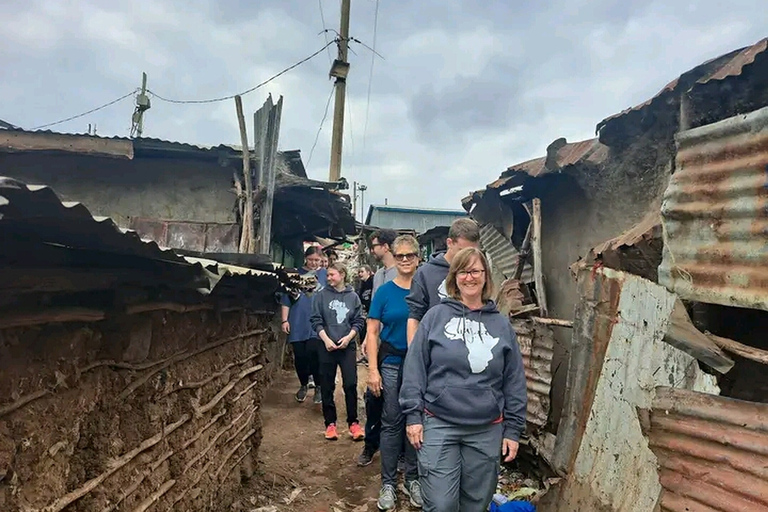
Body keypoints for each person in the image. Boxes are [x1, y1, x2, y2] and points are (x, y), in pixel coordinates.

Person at [399, 247, 527, 512]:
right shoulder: (435, 317)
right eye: (463, 271)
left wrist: (513, 430)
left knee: (476, 504)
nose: (470, 278)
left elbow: (514, 380)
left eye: (476, 271)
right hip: (439, 422)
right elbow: (414, 368)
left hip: (486, 427)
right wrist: (413, 416)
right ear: (454, 277)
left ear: (486, 276)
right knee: (441, 504)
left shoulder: (501, 325)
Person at [366, 235, 423, 510]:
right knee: (392, 420)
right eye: (399, 256)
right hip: (391, 362)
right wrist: (373, 370)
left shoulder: (427, 291)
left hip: (421, 365)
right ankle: (388, 483)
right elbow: (372, 332)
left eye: (409, 255)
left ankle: (412, 479)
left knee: (417, 420)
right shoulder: (385, 292)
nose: (404, 260)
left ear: (418, 257)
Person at [310, 262, 366, 441]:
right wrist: (326, 340)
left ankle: (353, 423)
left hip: (347, 346)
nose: (329, 278)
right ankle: (330, 424)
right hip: (326, 346)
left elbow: (358, 321)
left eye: (332, 275)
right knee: (327, 385)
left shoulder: (353, 297)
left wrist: (349, 338)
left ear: (342, 275)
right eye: (328, 275)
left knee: (350, 384)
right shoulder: (320, 296)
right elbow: (316, 320)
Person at [358, 228, 399, 466]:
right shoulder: (379, 275)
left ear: (385, 246)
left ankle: (398, 452)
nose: (373, 250)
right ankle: (370, 445)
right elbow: (375, 311)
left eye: (375, 246)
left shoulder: (403, 275)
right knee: (373, 396)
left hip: (396, 345)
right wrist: (367, 338)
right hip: (379, 343)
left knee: (396, 400)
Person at [406, 218, 481, 345]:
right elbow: (415, 317)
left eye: (472, 252)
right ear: (449, 243)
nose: (467, 257)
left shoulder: (479, 273)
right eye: (462, 251)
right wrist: (414, 355)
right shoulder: (425, 274)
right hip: (436, 350)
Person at [280, 246, 327, 404]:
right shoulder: (294, 275)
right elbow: (286, 300)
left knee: (315, 355)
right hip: (298, 320)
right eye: (311, 259)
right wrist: (285, 320)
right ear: (305, 258)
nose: (314, 263)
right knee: (300, 356)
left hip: (318, 322)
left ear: (321, 260)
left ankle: (319, 387)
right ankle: (303, 385)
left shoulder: (326, 275)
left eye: (317, 260)